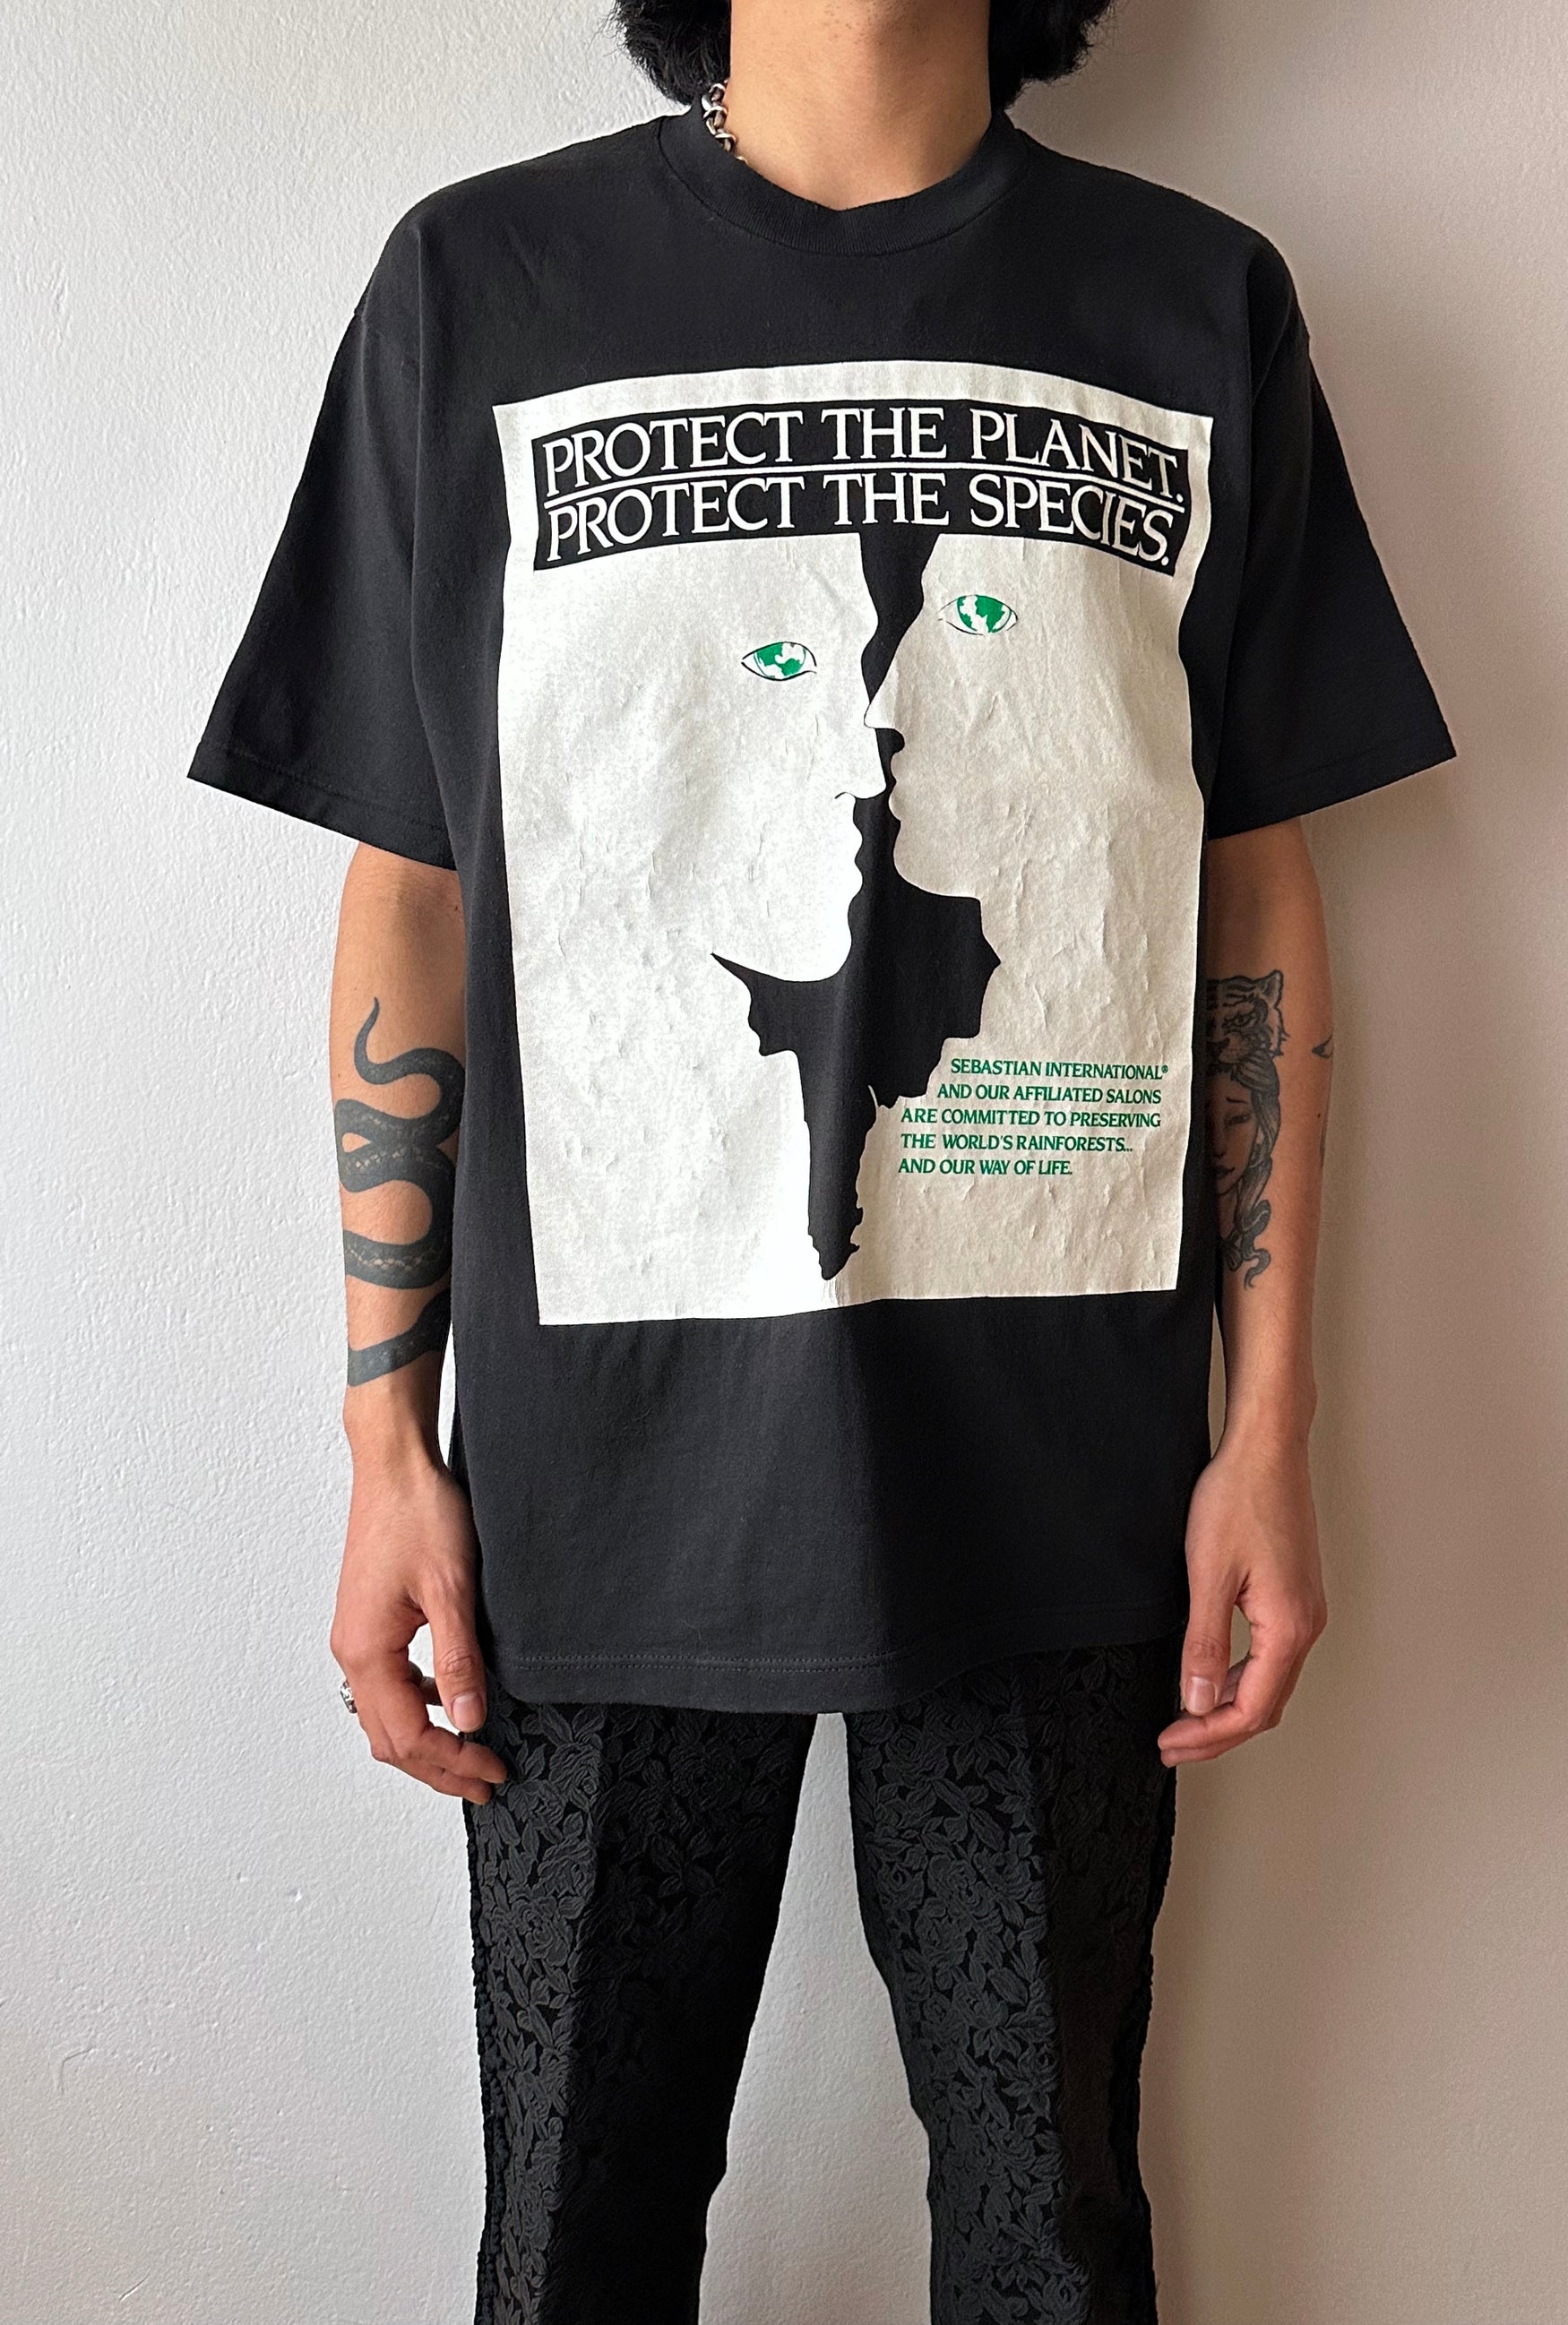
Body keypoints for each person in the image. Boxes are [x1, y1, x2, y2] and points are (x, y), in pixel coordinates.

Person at [188, 0, 1453, 2315]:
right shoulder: (482, 287)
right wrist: (385, 1442)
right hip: (598, 1488)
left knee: (1051, 2233)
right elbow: (417, 876)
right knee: (570, 2238)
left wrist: (1267, 1430)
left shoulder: (1188, 302)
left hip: (1054, 1469)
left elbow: (1246, 877)